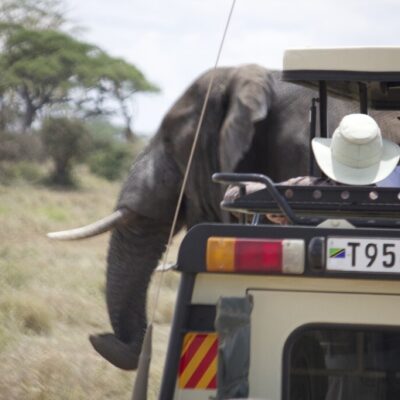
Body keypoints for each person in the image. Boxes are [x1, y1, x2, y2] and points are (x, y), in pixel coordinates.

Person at [224, 113, 400, 224]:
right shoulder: (392, 196)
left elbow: (234, 194)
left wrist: (273, 201)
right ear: (379, 159)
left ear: (333, 155)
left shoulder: (306, 189)